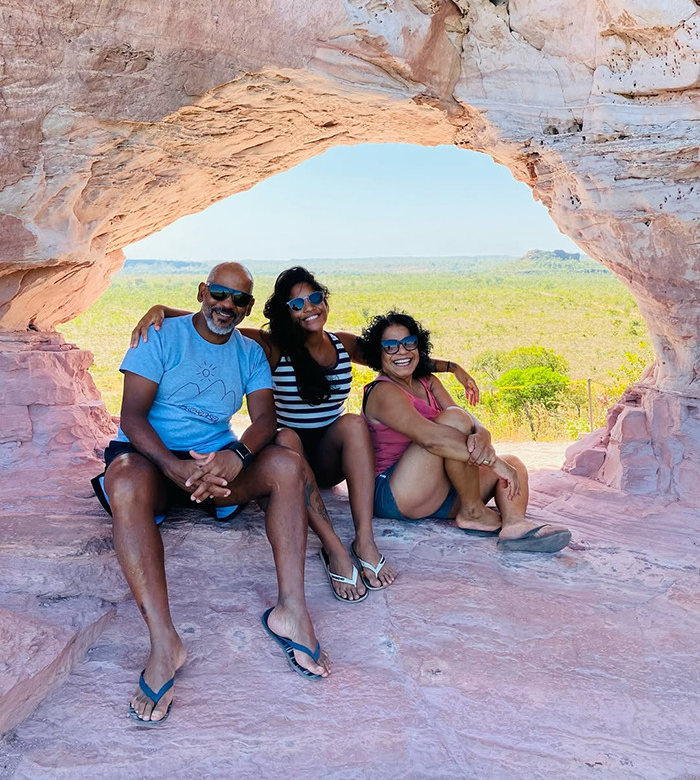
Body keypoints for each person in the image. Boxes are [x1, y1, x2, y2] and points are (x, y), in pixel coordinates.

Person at [131, 267, 479, 599]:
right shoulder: (272, 346)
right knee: (286, 437)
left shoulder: (342, 344)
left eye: (314, 298)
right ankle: (333, 548)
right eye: (297, 304)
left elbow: (393, 355)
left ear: (324, 300)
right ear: (287, 313)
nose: (308, 308)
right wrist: (161, 309)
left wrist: (453, 368)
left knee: (353, 423)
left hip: (329, 456)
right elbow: (219, 319)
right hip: (290, 454)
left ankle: (364, 540)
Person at [96, 263, 331, 727]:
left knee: (284, 464)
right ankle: (165, 644)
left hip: (218, 464)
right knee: (121, 478)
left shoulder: (248, 352)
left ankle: (291, 611)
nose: (227, 306)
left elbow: (264, 419)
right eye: (219, 294)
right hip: (154, 460)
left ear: (248, 307)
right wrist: (172, 465)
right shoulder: (163, 335)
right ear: (203, 291)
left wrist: (238, 455)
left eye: (239, 300)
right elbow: (133, 417)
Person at [359, 311, 572, 552]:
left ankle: (514, 526)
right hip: (398, 493)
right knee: (456, 423)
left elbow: (465, 416)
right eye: (390, 346)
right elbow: (431, 439)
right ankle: (472, 510)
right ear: (378, 352)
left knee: (514, 463)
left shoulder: (427, 381)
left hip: (435, 492)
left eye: (409, 343)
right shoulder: (382, 392)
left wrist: (482, 431)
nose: (402, 352)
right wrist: (494, 463)